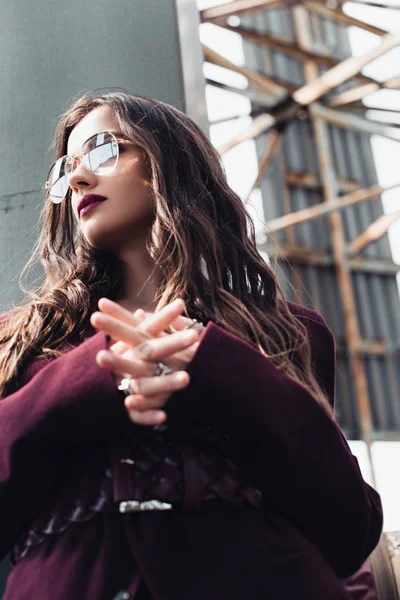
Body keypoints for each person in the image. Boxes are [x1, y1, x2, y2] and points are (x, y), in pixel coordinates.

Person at [0, 90, 382, 600]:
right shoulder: (21, 342)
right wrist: (96, 377)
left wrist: (212, 365)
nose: (78, 179)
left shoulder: (285, 331)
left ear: (170, 162)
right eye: (66, 169)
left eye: (104, 150)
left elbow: (346, 527)